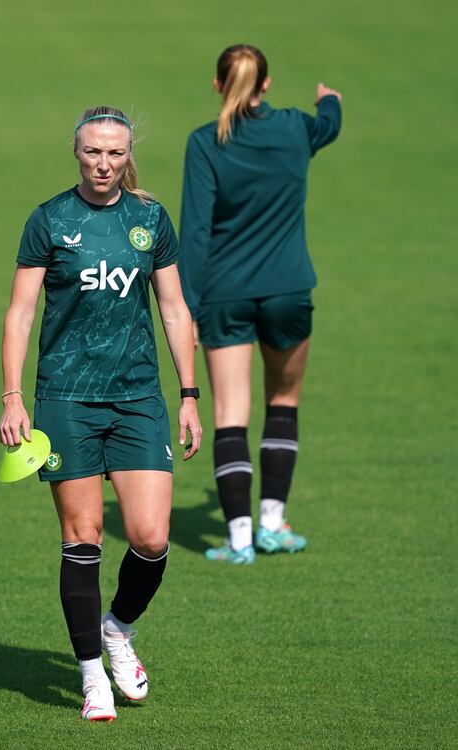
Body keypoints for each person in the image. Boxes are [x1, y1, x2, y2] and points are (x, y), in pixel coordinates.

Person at [0, 106, 201, 721]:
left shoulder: (149, 219)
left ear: (127, 152)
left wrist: (190, 394)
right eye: (93, 152)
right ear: (76, 152)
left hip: (139, 398)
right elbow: (20, 313)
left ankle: (117, 629)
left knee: (151, 539)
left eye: (115, 153)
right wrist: (13, 396)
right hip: (66, 400)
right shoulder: (50, 220)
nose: (104, 164)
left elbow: (173, 307)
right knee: (82, 538)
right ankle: (91, 676)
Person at [178, 44, 342, 564]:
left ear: (218, 84)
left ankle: (239, 538)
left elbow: (196, 233)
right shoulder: (296, 128)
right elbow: (329, 124)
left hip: (225, 296)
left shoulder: (206, 143)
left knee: (230, 415)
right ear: (266, 84)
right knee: (283, 401)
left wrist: (188, 307)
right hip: (289, 291)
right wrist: (331, 99)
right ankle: (273, 522)